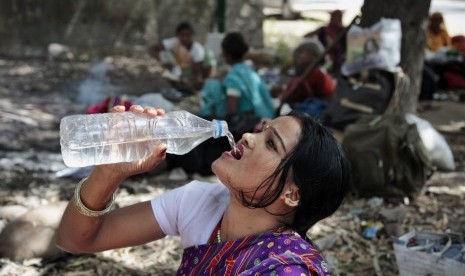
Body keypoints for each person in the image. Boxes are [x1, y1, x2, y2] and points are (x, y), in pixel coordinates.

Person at [56, 104, 351, 275]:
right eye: (260, 130)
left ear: (292, 194)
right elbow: (76, 239)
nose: (248, 137)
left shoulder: (284, 270)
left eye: (271, 144)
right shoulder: (199, 202)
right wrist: (109, 171)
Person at [200, 32, 275, 120]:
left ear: (225, 54)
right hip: (269, 118)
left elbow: (232, 112)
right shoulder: (250, 72)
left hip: (256, 124)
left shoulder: (233, 78)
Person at [148, 21, 212, 92]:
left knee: (208, 55)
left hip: (189, 74)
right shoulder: (174, 42)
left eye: (188, 35)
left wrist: (188, 80)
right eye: (182, 35)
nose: (185, 38)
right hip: (175, 70)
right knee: (164, 52)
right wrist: (160, 63)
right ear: (178, 35)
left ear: (192, 36)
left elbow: (196, 74)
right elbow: (153, 49)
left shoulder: (197, 50)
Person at [278, 40, 336, 109]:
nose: (299, 55)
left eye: (303, 52)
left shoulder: (318, 74)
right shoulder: (305, 73)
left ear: (314, 55)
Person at [305, 10, 346, 77]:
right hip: (323, 58)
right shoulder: (324, 30)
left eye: (339, 17)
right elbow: (308, 36)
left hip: (338, 61)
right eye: (334, 17)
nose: (336, 20)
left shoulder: (343, 31)